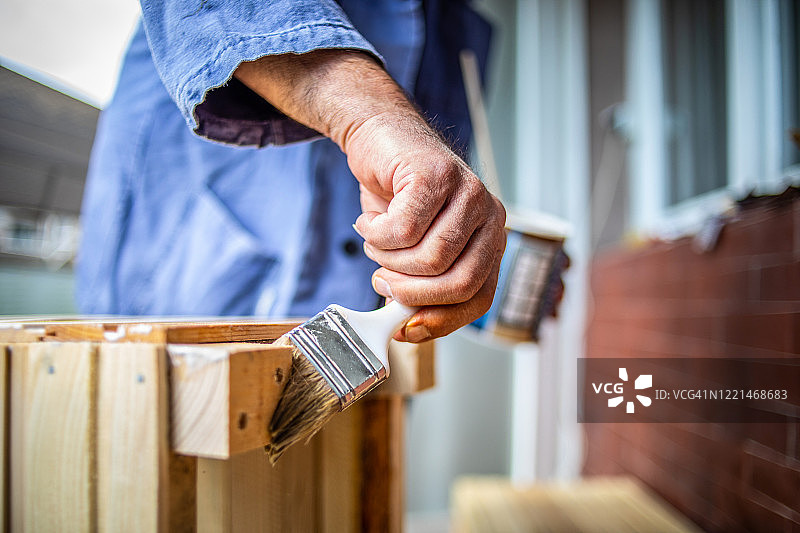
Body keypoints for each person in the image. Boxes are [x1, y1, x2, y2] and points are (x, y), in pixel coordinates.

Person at [77, 0, 506, 344]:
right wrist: (369, 116)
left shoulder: (453, 32)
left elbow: (424, 206)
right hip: (176, 297)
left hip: (358, 368)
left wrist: (454, 251)